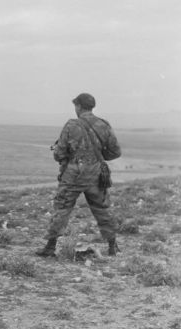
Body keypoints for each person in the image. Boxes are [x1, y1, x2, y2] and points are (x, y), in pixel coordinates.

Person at [36, 92, 122, 258]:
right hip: (96, 175)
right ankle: (113, 246)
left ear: (79, 106)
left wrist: (64, 155)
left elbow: (59, 154)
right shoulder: (103, 125)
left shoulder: (71, 125)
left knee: (62, 209)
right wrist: (97, 157)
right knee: (102, 209)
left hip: (73, 175)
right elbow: (115, 152)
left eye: (75, 105)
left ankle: (50, 247)